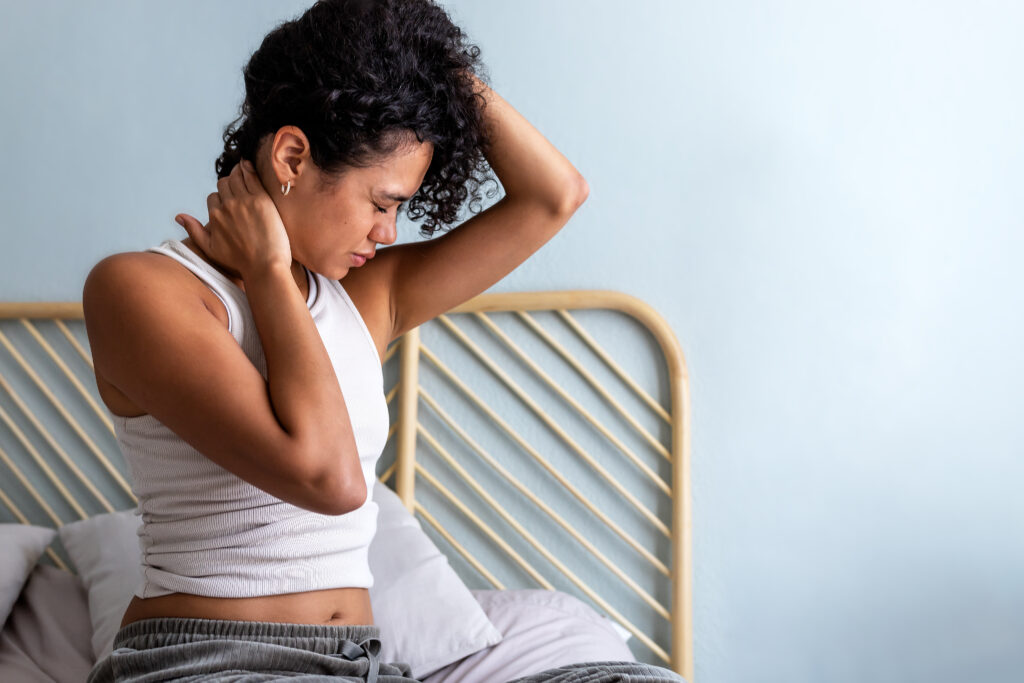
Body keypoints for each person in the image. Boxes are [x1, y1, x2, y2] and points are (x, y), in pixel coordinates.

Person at [82, 0, 682, 680]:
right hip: (206, 660)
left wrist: (427, 65)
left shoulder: (365, 298)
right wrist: (270, 273)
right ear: (292, 155)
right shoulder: (142, 290)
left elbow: (556, 194)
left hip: (359, 666)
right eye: (382, 202)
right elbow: (330, 477)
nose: (390, 232)